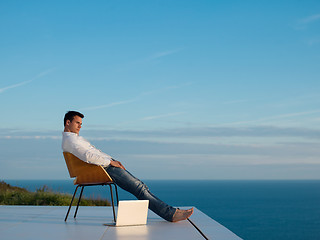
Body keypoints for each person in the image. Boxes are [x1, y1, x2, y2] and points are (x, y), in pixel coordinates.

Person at [62, 110, 193, 222]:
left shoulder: (74, 139)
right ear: (68, 122)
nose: (80, 126)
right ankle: (171, 214)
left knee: (141, 186)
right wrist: (110, 162)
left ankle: (171, 212)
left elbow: (91, 155)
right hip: (104, 169)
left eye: (81, 124)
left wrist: (113, 160)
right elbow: (88, 156)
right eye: (77, 123)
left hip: (105, 167)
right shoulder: (71, 140)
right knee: (139, 188)